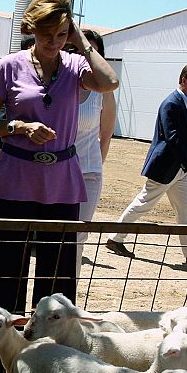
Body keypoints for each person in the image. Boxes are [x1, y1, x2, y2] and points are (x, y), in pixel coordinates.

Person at [0, 0, 118, 373]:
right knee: (8, 272)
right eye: (45, 34)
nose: (53, 42)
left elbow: (109, 82)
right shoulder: (9, 66)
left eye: (60, 34)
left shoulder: (76, 66)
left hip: (63, 182)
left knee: (57, 277)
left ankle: (50, 361)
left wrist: (80, 39)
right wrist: (18, 127)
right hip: (16, 178)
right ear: (32, 29)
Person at [106, 63, 187, 265]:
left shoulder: (184, 102)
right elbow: (172, 139)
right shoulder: (171, 103)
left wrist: (185, 165)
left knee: (185, 209)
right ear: (183, 80)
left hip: (178, 168)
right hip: (166, 167)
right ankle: (115, 238)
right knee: (143, 204)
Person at [66, 30, 116, 272]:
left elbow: (105, 137)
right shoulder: (58, 84)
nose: (83, 55)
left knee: (77, 239)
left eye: (89, 51)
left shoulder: (104, 93)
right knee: (51, 238)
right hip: (56, 173)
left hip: (88, 174)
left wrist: (95, 166)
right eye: (76, 50)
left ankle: (68, 291)